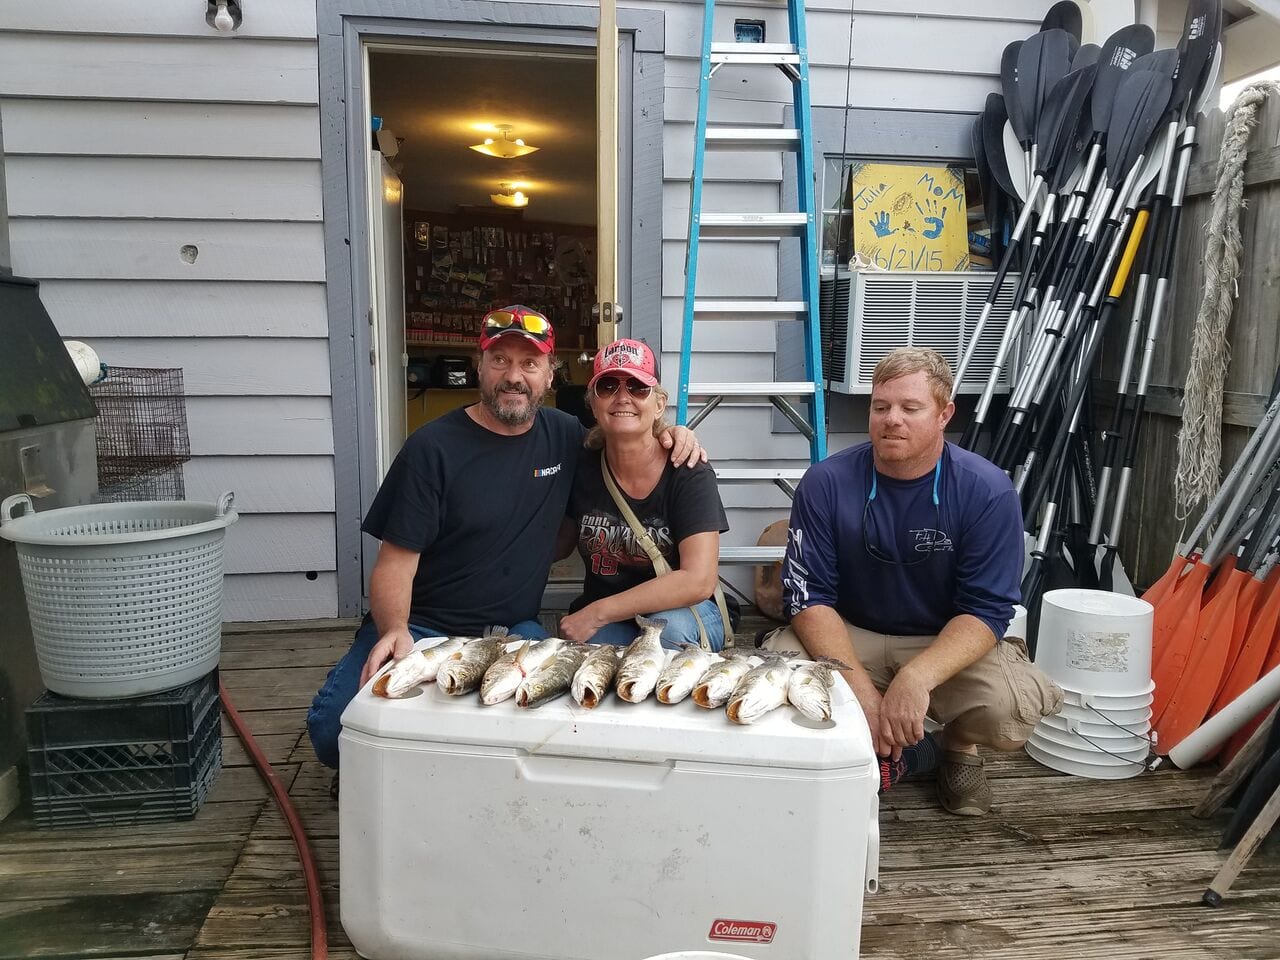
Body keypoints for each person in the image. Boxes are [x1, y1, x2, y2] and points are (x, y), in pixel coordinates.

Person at [307, 307, 703, 769]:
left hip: (515, 629)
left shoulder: (566, 436)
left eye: (529, 364)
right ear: (479, 366)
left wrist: (674, 433)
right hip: (423, 626)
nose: (514, 377)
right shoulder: (432, 449)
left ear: (550, 375)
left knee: (551, 728)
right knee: (334, 735)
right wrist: (395, 628)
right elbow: (394, 562)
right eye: (500, 360)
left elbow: (626, 438)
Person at [763, 347, 1062, 815]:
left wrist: (917, 678)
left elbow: (987, 609)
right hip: (850, 632)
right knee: (774, 677)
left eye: (910, 407)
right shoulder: (825, 482)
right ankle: (889, 745)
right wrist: (864, 696)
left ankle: (957, 746)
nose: (892, 420)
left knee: (1007, 706)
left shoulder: (987, 490)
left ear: (944, 414)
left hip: (938, 639)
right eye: (880, 406)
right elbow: (807, 597)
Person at [558, 339, 729, 651]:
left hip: (683, 611)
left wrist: (597, 613)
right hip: (614, 620)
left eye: (638, 387)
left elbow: (698, 580)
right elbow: (556, 544)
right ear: (593, 404)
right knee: (589, 657)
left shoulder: (687, 470)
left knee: (668, 633)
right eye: (608, 386)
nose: (623, 397)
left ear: (659, 404)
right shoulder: (580, 464)